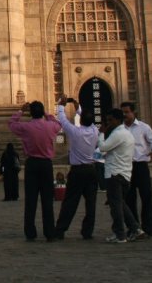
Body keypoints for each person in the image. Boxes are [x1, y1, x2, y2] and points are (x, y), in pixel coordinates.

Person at [8, 101, 62, 242]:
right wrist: (46, 113)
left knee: (31, 200)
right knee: (47, 200)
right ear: (42, 112)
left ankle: (30, 232)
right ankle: (50, 232)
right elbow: (58, 123)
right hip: (46, 165)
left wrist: (20, 111)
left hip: (32, 164)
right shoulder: (51, 126)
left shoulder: (26, 127)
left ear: (30, 113)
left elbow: (11, 123)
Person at [54, 97, 99, 241]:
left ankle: (60, 230)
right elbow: (86, 118)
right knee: (91, 203)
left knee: (70, 202)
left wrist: (61, 105)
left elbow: (62, 120)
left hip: (77, 171)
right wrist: (77, 107)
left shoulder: (75, 132)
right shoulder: (95, 131)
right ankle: (87, 232)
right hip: (91, 170)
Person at [98, 108, 144, 243]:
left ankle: (120, 234)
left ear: (118, 120)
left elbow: (103, 147)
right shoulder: (127, 133)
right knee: (120, 204)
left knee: (116, 207)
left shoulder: (118, 134)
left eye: (110, 120)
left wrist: (101, 134)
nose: (108, 123)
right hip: (124, 173)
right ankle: (135, 228)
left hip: (115, 174)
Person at [121, 102, 152, 237]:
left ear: (134, 112)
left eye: (127, 112)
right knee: (129, 199)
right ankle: (134, 227)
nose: (124, 115)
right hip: (126, 167)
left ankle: (148, 228)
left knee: (146, 198)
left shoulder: (144, 127)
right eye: (123, 112)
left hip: (141, 166)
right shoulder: (119, 129)